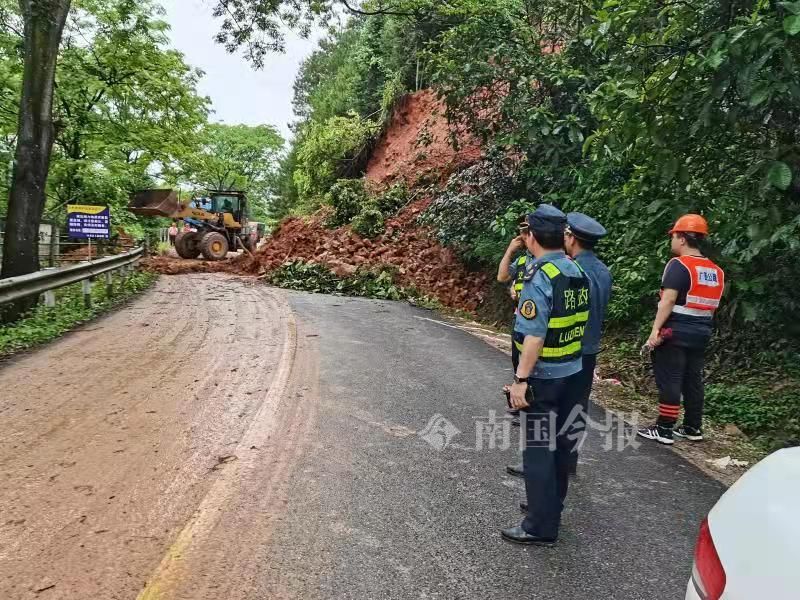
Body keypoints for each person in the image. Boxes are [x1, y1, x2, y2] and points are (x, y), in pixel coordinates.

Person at [501, 204, 590, 546]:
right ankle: (551, 510)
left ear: (533, 236)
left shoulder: (541, 276)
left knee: (538, 449)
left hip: (543, 377)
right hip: (572, 371)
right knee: (559, 447)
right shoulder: (575, 270)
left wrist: (520, 380)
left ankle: (539, 525)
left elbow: (535, 335)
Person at [637, 214, 725, 445]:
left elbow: (667, 301)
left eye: (674, 236)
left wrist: (655, 330)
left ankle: (664, 428)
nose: (672, 241)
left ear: (683, 239)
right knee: (693, 380)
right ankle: (692, 427)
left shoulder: (679, 265)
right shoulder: (715, 270)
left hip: (676, 331)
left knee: (671, 378)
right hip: (702, 331)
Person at [563, 212, 612, 474]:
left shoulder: (572, 270)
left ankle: (547, 464)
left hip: (568, 348)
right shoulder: (603, 271)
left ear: (571, 237)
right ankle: (569, 461)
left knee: (552, 405)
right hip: (590, 348)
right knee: (577, 406)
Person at [497, 217, 531, 417]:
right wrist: (510, 250)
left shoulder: (545, 262)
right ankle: (521, 405)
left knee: (532, 365)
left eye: (526, 232)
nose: (523, 236)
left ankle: (529, 409)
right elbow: (502, 277)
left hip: (535, 322)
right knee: (518, 362)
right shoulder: (522, 260)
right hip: (519, 320)